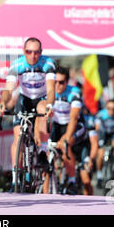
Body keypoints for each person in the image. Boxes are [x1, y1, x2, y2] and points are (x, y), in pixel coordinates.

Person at [0, 37, 55, 191]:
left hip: (41, 98)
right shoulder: (17, 65)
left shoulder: (47, 64)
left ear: (41, 52)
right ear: (24, 52)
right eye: (29, 52)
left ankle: (41, 151)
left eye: (36, 52)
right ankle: (15, 180)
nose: (33, 56)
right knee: (17, 137)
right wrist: (2, 103)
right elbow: (9, 89)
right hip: (25, 99)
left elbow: (50, 90)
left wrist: (49, 105)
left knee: (43, 110)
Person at [49, 66, 91, 195]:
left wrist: (66, 137)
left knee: (64, 145)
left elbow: (73, 117)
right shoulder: (48, 91)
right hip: (57, 124)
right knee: (45, 149)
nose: (57, 85)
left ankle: (72, 181)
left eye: (61, 82)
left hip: (75, 125)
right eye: (55, 81)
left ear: (67, 83)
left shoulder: (74, 92)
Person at [95, 99, 114, 189]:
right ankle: (99, 176)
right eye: (109, 108)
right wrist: (98, 142)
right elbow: (97, 129)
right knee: (100, 155)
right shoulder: (101, 114)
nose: (111, 111)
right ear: (106, 108)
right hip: (103, 134)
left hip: (113, 134)